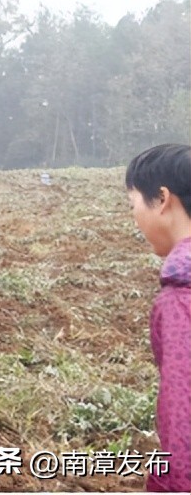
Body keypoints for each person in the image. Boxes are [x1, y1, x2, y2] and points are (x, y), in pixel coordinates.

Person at [125, 143, 190, 493]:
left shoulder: (181, 296)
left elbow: (184, 418)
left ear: (162, 199)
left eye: (133, 204)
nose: (134, 217)